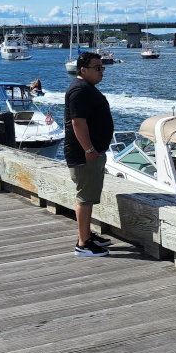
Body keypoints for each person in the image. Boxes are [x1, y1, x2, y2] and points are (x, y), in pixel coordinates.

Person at [64, 52, 114, 257]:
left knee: (88, 197)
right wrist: (89, 150)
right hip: (84, 154)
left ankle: (86, 235)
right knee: (84, 197)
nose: (102, 71)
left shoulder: (86, 88)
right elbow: (78, 122)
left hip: (91, 153)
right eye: (97, 68)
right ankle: (83, 244)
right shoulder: (79, 91)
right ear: (83, 70)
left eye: (102, 67)